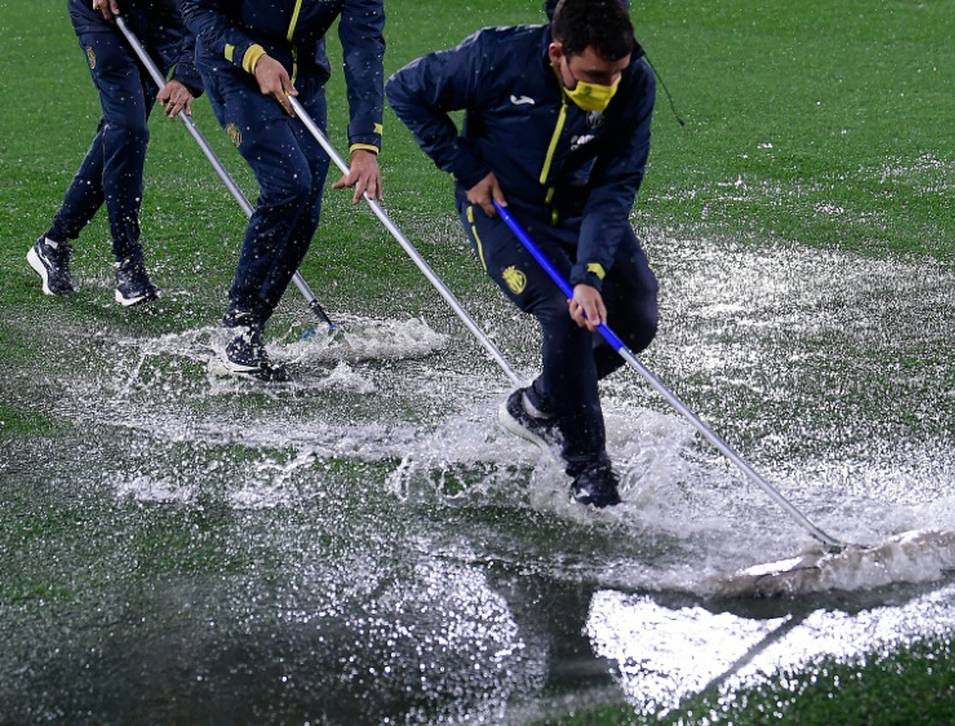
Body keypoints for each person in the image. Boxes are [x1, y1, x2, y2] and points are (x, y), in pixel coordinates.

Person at [387, 0, 657, 507]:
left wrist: (590, 273)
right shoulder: (495, 57)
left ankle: (540, 404)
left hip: (581, 211)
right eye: (596, 75)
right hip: (504, 211)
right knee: (565, 315)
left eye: (617, 74)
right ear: (558, 53)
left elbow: (617, 184)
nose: (610, 87)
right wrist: (466, 168)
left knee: (636, 320)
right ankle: (591, 476)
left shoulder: (635, 81)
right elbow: (405, 89)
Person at [180, 0, 385, 381]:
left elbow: (364, 49)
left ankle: (251, 330)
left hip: (301, 79)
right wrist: (254, 58)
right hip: (232, 69)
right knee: (288, 184)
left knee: (307, 206)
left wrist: (364, 144)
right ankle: (236, 325)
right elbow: (195, 8)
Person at [27, 0, 203, 306]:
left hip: (163, 25)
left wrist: (187, 74)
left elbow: (209, 16)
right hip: (101, 17)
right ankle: (128, 263)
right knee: (129, 128)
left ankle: (53, 242)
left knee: (122, 135)